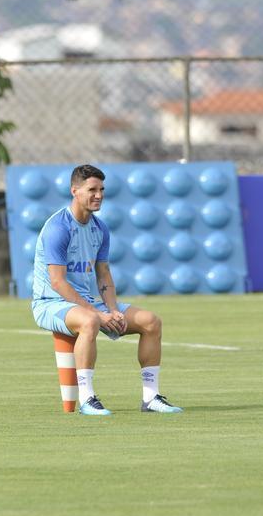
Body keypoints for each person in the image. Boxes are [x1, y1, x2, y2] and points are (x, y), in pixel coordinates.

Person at [31, 163, 183, 417]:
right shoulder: (58, 228)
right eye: (92, 189)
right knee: (90, 321)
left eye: (101, 189)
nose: (99, 195)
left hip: (87, 302)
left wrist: (113, 310)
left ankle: (151, 398)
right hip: (51, 302)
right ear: (75, 191)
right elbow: (57, 282)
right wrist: (98, 314)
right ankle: (87, 399)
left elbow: (104, 274)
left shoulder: (100, 228)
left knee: (151, 322)